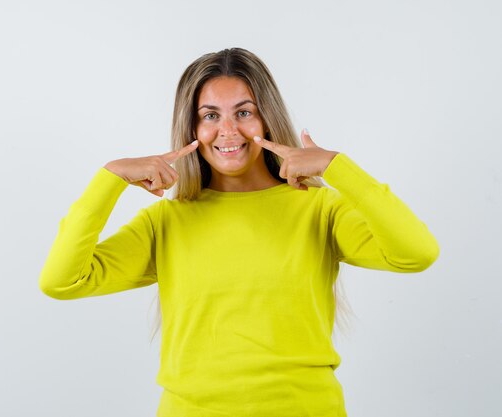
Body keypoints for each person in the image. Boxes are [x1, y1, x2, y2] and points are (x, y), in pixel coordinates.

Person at [39, 47, 440, 417]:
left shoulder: (321, 211)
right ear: (192, 126)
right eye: (211, 115)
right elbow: (62, 281)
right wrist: (109, 179)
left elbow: (416, 253)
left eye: (244, 112)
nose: (228, 130)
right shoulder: (167, 221)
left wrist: (337, 166)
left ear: (267, 117)